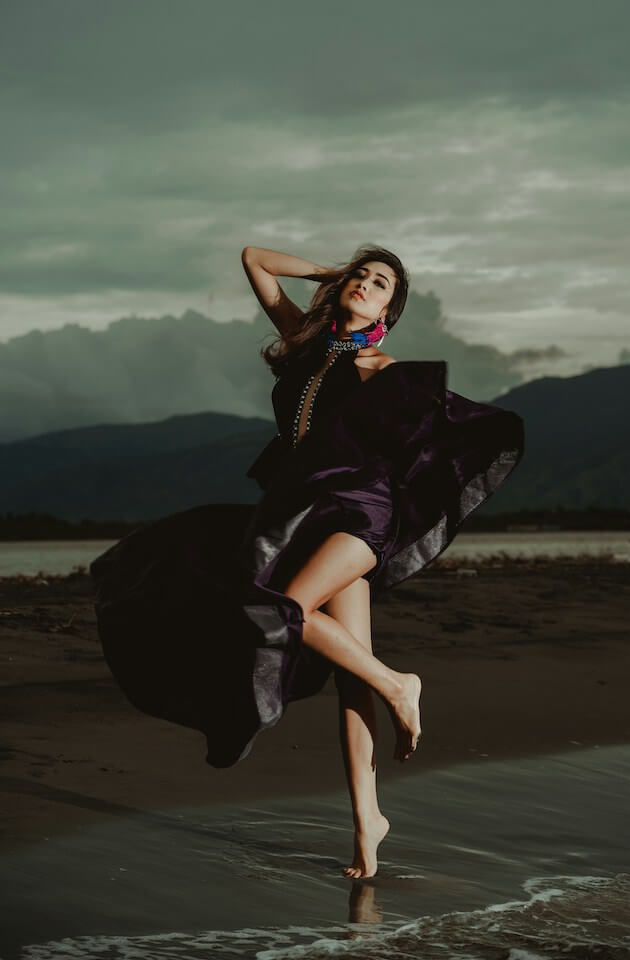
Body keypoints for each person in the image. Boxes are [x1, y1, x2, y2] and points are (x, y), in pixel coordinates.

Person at [90, 243, 524, 880]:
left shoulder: (382, 365)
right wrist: (334, 274)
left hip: (359, 514)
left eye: (381, 285)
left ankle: (398, 684)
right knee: (351, 669)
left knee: (278, 606)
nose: (368, 284)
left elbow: (421, 444)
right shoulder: (303, 341)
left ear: (389, 311)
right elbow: (254, 259)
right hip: (303, 512)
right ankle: (368, 823)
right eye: (364, 275)